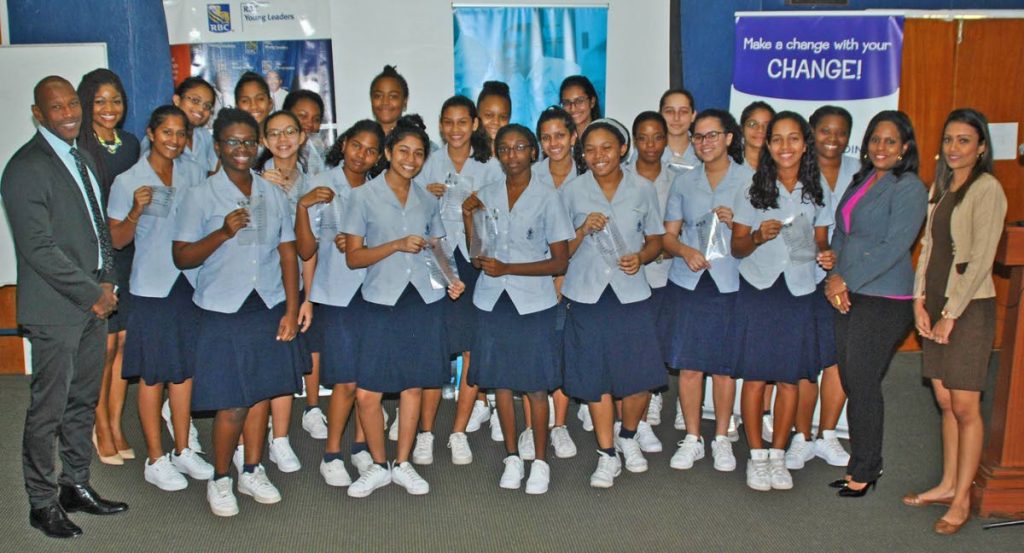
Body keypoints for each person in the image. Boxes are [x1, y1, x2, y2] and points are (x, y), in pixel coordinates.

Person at [2, 75, 128, 539]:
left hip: (95, 301)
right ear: (39, 114)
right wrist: (93, 293)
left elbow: (98, 227)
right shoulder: (24, 167)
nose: (68, 113)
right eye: (56, 108)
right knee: (48, 409)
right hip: (56, 309)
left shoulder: (81, 156)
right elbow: (38, 248)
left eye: (72, 103)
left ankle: (75, 483)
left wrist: (108, 277)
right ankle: (41, 502)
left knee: (81, 402)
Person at [173, 108, 305, 517]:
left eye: (249, 141)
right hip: (222, 309)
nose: (242, 149)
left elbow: (287, 252)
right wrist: (222, 232)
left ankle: (252, 467)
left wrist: (292, 305)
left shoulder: (272, 193)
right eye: (233, 142)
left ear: (258, 145)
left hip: (266, 305)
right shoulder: (199, 195)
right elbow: (182, 256)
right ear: (218, 147)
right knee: (232, 402)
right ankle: (220, 477)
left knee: (262, 394)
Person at [340, 115, 465, 498]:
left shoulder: (428, 198)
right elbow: (354, 258)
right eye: (403, 151)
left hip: (422, 301)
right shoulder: (362, 196)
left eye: (418, 153)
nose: (410, 159)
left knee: (414, 386)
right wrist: (395, 244)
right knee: (368, 392)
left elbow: (439, 246)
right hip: (380, 299)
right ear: (390, 153)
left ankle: (404, 462)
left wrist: (452, 279)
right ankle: (379, 465)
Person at [905, 109, 1005, 535]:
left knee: (965, 406)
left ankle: (963, 499)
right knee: (945, 402)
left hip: (968, 308)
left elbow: (981, 260)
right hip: (938, 303)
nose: (954, 148)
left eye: (964, 140)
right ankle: (947, 484)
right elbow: (928, 248)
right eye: (949, 140)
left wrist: (950, 314)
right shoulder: (942, 188)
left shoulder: (988, 189)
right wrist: (919, 300)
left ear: (981, 147)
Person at [106, 105, 214, 491]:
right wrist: (136, 209)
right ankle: (155, 458)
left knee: (184, 372)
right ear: (151, 133)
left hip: (190, 283)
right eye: (166, 132)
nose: (173, 140)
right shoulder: (128, 180)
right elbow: (117, 240)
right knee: (153, 376)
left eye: (180, 134)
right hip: (152, 287)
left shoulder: (194, 173)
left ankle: (183, 449)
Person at [463, 124, 573, 494]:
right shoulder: (486, 194)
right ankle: (511, 457)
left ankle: (539, 461)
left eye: (520, 147)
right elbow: (476, 255)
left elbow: (559, 263)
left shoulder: (548, 197)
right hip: (492, 301)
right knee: (502, 386)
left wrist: (510, 268)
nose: (512, 155)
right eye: (505, 149)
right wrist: (467, 219)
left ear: (532, 152)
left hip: (533, 303)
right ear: (496, 153)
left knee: (536, 387)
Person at [824, 110, 927, 496]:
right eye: (875, 139)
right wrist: (833, 276)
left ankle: (866, 469)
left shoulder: (909, 187)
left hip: (885, 297)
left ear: (904, 148)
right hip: (849, 292)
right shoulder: (864, 180)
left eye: (890, 141)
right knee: (853, 380)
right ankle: (862, 461)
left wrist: (843, 279)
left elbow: (894, 247)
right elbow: (842, 234)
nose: (880, 147)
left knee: (863, 382)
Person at [730, 111, 834, 492]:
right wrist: (756, 237)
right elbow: (736, 246)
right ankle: (756, 456)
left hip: (800, 291)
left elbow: (822, 238)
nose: (785, 147)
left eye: (793, 139)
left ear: (805, 144)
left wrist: (827, 255)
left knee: (790, 378)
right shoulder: (752, 189)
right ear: (767, 144)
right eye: (777, 139)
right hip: (760, 290)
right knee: (756, 376)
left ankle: (778, 454)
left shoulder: (817, 187)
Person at [560, 118, 666, 488]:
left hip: (631, 293)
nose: (598, 155)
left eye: (606, 147)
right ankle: (606, 453)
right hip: (587, 295)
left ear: (623, 149)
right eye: (590, 149)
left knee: (638, 378)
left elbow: (657, 239)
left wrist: (642, 256)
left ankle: (628, 436)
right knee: (595, 377)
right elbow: (560, 252)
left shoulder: (643, 189)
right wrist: (581, 230)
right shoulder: (571, 192)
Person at [294, 119, 386, 486]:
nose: (361, 155)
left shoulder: (380, 191)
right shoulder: (320, 185)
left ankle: (361, 447)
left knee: (369, 380)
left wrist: (363, 246)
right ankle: (332, 453)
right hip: (335, 295)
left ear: (379, 157)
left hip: (375, 293)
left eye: (371, 150)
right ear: (344, 144)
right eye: (356, 145)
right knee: (346, 381)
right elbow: (305, 250)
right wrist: (302, 208)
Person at [413, 95, 502, 465]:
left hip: (474, 263)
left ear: (475, 124)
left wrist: (480, 204)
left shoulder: (490, 167)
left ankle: (458, 431)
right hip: (434, 263)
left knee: (471, 349)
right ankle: (425, 432)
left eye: (462, 122)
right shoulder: (425, 162)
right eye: (447, 122)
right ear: (440, 125)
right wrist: (425, 195)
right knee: (434, 349)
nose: (455, 130)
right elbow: (409, 209)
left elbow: (499, 219)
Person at [661, 109, 752, 473]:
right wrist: (685, 251)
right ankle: (694, 438)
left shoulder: (750, 180)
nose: (704, 143)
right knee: (689, 365)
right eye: (698, 137)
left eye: (712, 135)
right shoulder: (683, 182)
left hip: (731, 281)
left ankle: (721, 437)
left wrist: (740, 226)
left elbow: (761, 234)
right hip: (690, 281)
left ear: (730, 138)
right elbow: (667, 236)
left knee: (725, 367)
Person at [787, 106, 859, 471]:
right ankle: (801, 436)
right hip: (801, 278)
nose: (832, 138)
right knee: (803, 360)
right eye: (825, 130)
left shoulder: (860, 174)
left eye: (841, 132)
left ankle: (827, 434)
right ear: (812, 132)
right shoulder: (793, 170)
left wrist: (842, 275)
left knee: (836, 358)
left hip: (846, 279)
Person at [76, 68, 141, 465]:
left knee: (122, 345)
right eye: (99, 101)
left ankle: (116, 425)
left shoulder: (131, 145)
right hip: (96, 257)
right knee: (102, 347)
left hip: (129, 253)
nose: (108, 108)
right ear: (86, 103)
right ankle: (99, 428)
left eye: (115, 100)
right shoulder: (79, 147)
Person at [249, 110, 314, 474]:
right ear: (264, 140)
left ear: (301, 136)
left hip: (294, 282)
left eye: (290, 131)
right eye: (274, 133)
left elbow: (310, 248)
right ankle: (253, 440)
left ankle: (281, 439)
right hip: (259, 284)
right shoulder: (254, 181)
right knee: (259, 363)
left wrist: (308, 297)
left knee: (286, 362)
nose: (283, 139)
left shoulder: (313, 182)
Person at [628, 111, 680, 455]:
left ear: (666, 140)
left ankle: (644, 416)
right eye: (643, 138)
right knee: (629, 351)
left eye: (657, 137)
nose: (650, 145)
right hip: (625, 278)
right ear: (633, 141)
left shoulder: (678, 179)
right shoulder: (617, 176)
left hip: (662, 277)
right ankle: (634, 420)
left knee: (653, 349)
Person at [170, 77, 218, 173]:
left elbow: (214, 174)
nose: (201, 109)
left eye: (207, 106)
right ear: (177, 100)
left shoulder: (204, 136)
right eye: (195, 100)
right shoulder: (159, 136)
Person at [284, 89, 327, 176]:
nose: (310, 124)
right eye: (303, 116)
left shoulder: (318, 152)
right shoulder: (277, 150)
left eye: (316, 119)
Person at [657, 89, 699, 170]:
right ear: (660, 115)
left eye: (683, 111)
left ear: (693, 116)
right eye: (669, 111)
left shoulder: (705, 149)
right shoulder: (646, 151)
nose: (676, 118)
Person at [369, 65, 409, 136]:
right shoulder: (358, 140)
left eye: (393, 96)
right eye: (378, 96)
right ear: (371, 99)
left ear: (405, 102)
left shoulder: (420, 143)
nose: (385, 102)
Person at [739, 101, 775, 172]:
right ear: (742, 129)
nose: (760, 130)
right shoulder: (726, 165)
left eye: (767, 125)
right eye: (752, 124)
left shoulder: (783, 166)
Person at [476, 81, 512, 150]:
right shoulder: (465, 153)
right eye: (489, 115)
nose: (496, 122)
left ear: (509, 118)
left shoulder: (513, 154)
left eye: (503, 117)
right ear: (477, 114)